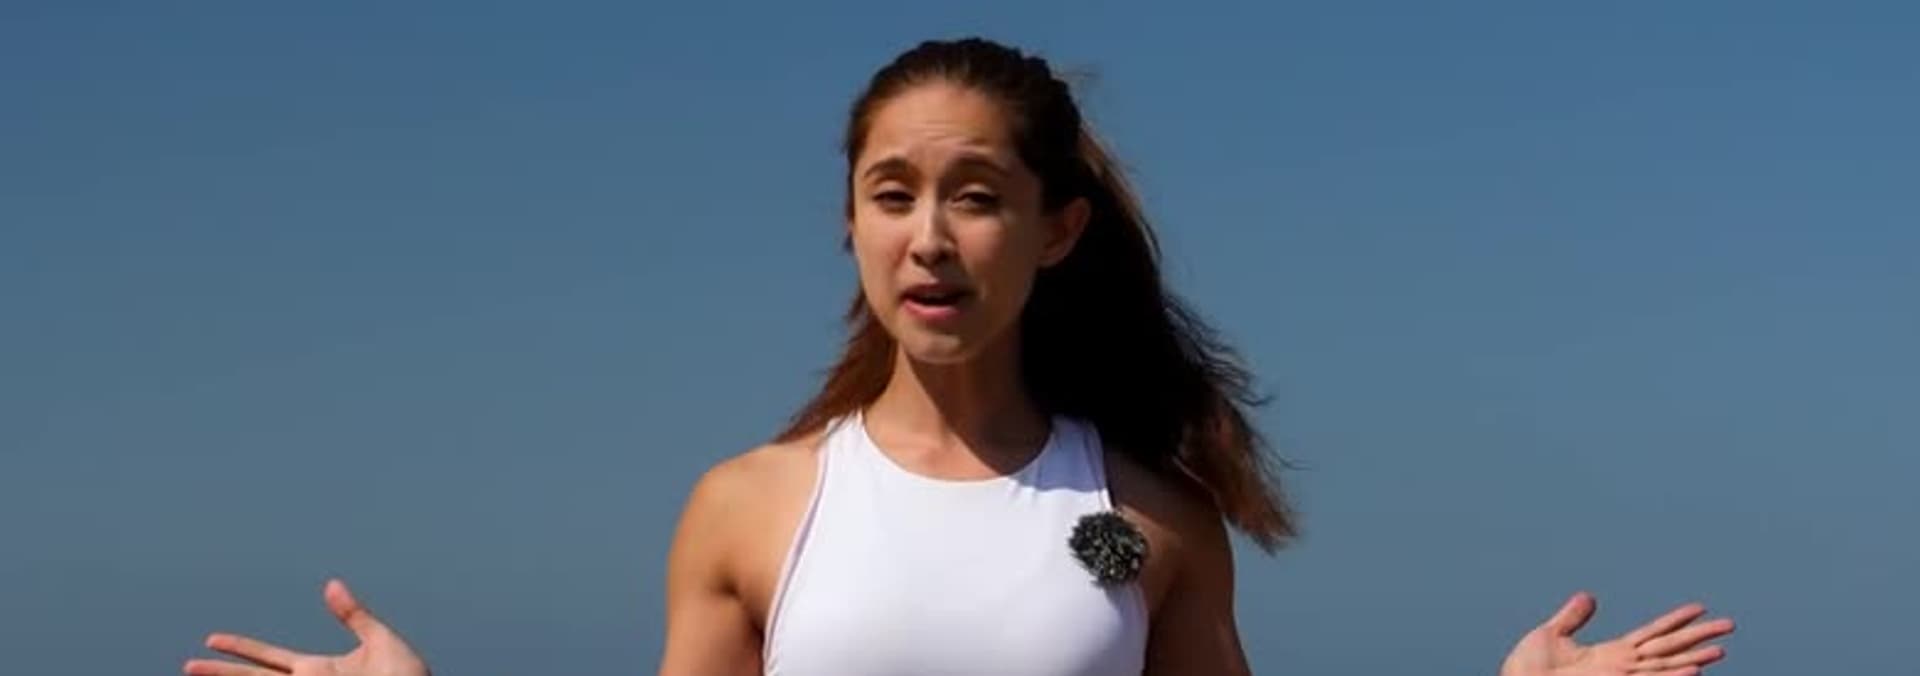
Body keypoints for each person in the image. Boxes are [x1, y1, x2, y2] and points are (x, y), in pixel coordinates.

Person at [183, 37, 1736, 676]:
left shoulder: (1134, 526)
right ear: (851, 223)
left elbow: (1094, 587)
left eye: (977, 196)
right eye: (893, 194)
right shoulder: (753, 509)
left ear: (1056, 231)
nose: (930, 237)